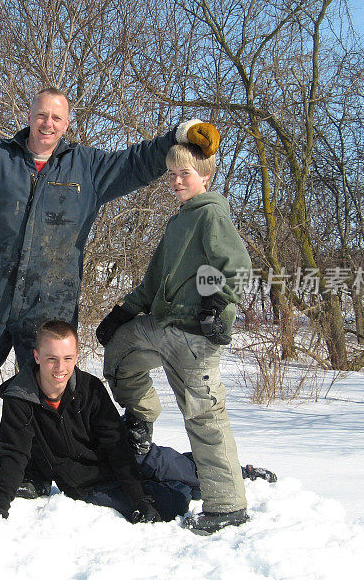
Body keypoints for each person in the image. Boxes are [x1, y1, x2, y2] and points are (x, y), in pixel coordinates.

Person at [0, 87, 222, 500]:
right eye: (42, 115)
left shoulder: (87, 168)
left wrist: (182, 134)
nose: (48, 123)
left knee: (45, 390)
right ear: (30, 115)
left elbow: (137, 162)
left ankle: (34, 470)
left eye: (57, 118)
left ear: (67, 124)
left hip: (50, 307)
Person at [0, 320, 274, 527]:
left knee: (170, 465)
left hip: (124, 457)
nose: (61, 368)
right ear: (36, 356)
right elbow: (13, 454)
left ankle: (235, 473)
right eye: (52, 359)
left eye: (68, 358)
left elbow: (115, 443)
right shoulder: (21, 398)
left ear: (77, 355)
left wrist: (137, 495)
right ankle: (184, 482)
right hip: (88, 481)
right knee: (174, 500)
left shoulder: (89, 388)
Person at [96, 142, 253, 534]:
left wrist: (216, 305)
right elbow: (154, 281)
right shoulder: (179, 220)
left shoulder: (211, 214)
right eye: (172, 174)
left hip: (195, 336)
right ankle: (140, 423)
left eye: (185, 174)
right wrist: (125, 312)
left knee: (204, 416)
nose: (177, 181)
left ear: (206, 176)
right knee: (120, 354)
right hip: (162, 325)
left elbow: (236, 268)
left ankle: (227, 506)